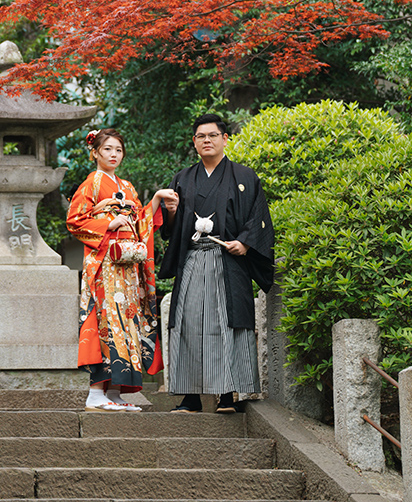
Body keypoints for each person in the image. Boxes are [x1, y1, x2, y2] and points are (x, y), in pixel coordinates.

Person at [158, 113, 274, 413]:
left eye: (212, 135)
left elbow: (258, 217)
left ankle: (226, 394)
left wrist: (246, 242)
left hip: (229, 262)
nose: (207, 140)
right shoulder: (183, 179)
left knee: (226, 325)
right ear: (194, 142)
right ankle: (190, 396)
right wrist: (170, 211)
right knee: (188, 324)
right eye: (201, 136)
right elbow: (171, 228)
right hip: (194, 258)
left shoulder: (245, 177)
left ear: (225, 139)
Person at [67, 128, 178, 411]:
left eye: (118, 150)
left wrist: (154, 201)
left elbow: (142, 221)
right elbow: (75, 220)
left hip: (127, 268)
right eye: (107, 149)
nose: (113, 154)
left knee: (127, 321)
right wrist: (108, 224)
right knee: (105, 321)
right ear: (95, 153)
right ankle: (95, 392)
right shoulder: (90, 184)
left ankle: (114, 392)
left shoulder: (127, 186)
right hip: (104, 265)